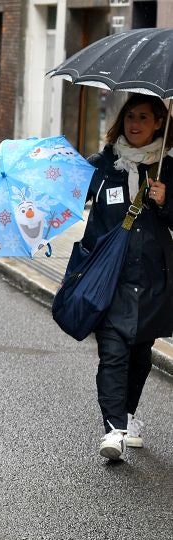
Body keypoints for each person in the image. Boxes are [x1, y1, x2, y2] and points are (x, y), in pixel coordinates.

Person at [82, 94, 173, 461]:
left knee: (140, 353)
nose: (135, 123)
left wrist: (166, 201)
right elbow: (73, 197)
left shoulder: (168, 169)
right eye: (130, 116)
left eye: (144, 117)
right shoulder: (103, 166)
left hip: (153, 278)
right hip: (110, 277)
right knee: (113, 351)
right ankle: (114, 428)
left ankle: (128, 414)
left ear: (159, 125)